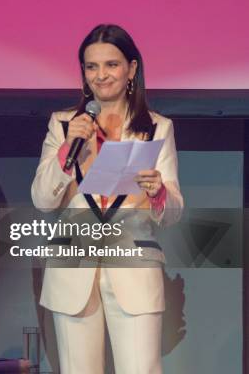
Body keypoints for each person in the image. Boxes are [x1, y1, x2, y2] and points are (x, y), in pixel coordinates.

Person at [31, 24, 183, 374]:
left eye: (111, 65)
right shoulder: (63, 123)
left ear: (131, 69)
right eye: (91, 66)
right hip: (73, 271)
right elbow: (42, 199)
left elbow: (174, 211)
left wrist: (159, 191)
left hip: (133, 266)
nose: (101, 75)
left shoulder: (157, 127)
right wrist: (68, 149)